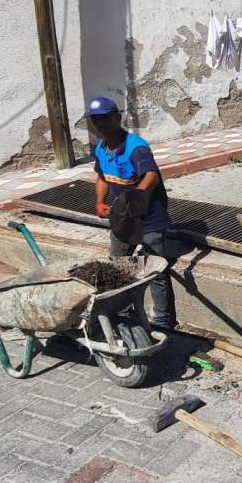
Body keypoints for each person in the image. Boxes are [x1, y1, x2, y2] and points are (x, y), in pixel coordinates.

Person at [87, 96, 176, 330]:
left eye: (105, 118)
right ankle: (124, 313)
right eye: (96, 121)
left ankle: (164, 322)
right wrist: (99, 202)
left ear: (118, 117)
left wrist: (133, 197)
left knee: (155, 271)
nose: (101, 124)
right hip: (122, 219)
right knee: (121, 266)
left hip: (149, 218)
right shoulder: (101, 148)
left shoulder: (136, 147)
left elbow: (151, 176)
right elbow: (101, 177)